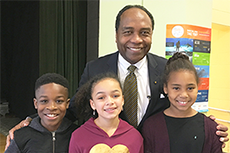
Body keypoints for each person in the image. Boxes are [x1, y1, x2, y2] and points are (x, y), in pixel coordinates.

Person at [5, 4, 228, 150]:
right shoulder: (95, 68)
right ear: (116, 35)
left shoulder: (165, 69)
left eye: (144, 32)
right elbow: (75, 110)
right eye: (128, 31)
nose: (136, 39)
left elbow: (179, 106)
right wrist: (32, 122)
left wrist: (206, 125)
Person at [142, 52, 223, 153]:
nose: (184, 95)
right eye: (176, 88)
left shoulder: (211, 128)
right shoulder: (151, 126)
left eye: (190, 88)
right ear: (165, 88)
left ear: (198, 87)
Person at [69, 72, 143, 153]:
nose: (110, 102)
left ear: (122, 100)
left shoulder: (134, 136)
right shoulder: (79, 136)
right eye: (101, 97)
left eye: (115, 96)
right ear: (93, 104)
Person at [4, 73, 78, 153]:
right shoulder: (21, 136)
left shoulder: (77, 134)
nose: (51, 107)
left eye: (59, 101)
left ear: (67, 104)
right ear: (36, 103)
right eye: (44, 101)